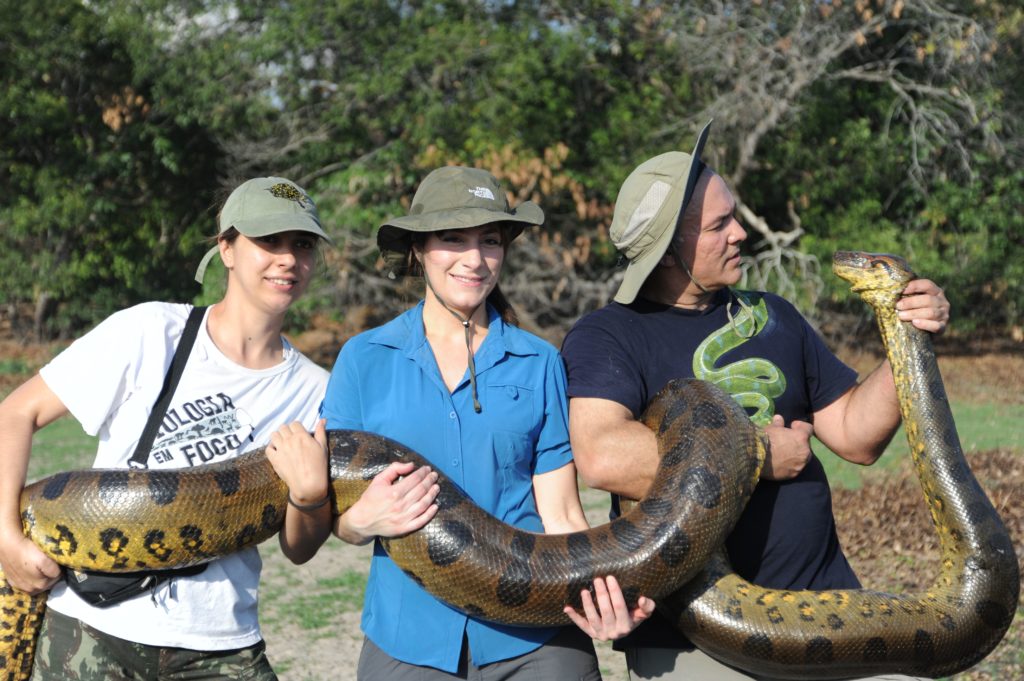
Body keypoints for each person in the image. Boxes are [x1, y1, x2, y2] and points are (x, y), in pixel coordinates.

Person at [560, 122, 949, 681]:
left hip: (826, 611)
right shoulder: (609, 335)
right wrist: (760, 455)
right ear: (670, 250)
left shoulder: (775, 315)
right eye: (719, 225)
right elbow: (601, 455)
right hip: (698, 638)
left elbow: (857, 437)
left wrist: (907, 334)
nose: (741, 233)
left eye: (734, 216)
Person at [293, 165, 654, 680]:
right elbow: (340, 517)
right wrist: (359, 524)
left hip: (535, 635)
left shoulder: (539, 361)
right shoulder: (363, 358)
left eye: (490, 240)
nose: (475, 259)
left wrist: (606, 596)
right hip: (409, 634)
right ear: (418, 249)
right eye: (453, 239)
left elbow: (563, 515)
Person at [0, 176, 335, 680]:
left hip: (219, 643)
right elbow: (14, 413)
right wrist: (4, 536)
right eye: (268, 241)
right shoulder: (151, 331)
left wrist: (309, 498)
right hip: (92, 631)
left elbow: (299, 548)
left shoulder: (317, 390)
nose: (288, 259)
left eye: (302, 244)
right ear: (227, 248)